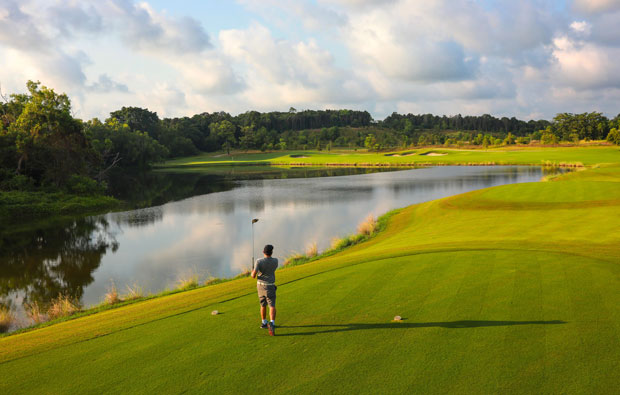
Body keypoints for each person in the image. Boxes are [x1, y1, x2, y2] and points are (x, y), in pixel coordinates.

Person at [252, 244, 278, 336]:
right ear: (271, 252)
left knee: (263, 305)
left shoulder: (258, 261)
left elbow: (253, 276)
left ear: (263, 252)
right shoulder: (275, 261)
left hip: (260, 286)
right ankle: (272, 323)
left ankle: (264, 323)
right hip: (270, 286)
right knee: (272, 305)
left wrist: (253, 271)